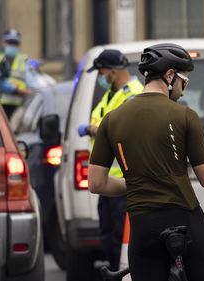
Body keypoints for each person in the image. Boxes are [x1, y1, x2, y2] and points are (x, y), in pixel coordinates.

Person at [87, 43, 204, 281]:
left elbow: (96, 184)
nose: (183, 91)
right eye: (183, 82)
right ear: (169, 75)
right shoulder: (184, 115)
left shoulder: (111, 119)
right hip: (184, 217)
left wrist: (136, 184)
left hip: (142, 223)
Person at [77, 49, 143, 271]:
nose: (101, 77)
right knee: (109, 237)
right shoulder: (110, 95)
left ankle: (123, 273)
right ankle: (116, 271)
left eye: (102, 72)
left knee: (121, 239)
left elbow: (127, 129)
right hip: (106, 181)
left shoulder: (133, 93)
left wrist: (94, 129)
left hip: (123, 182)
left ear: (113, 72)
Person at [0, 29, 32, 118]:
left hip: (19, 108)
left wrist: (15, 90)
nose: (12, 45)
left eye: (15, 43)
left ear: (19, 45)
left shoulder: (26, 61)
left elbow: (34, 90)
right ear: (2, 43)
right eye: (9, 42)